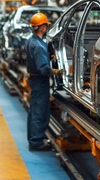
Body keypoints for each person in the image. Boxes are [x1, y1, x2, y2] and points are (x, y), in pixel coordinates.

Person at [26, 12, 60, 151]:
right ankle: (36, 142)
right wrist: (57, 71)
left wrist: (49, 53)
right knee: (39, 112)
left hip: (35, 79)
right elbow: (44, 69)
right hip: (40, 81)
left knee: (35, 110)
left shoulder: (31, 41)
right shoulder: (39, 47)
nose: (46, 29)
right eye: (46, 26)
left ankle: (34, 138)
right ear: (42, 28)